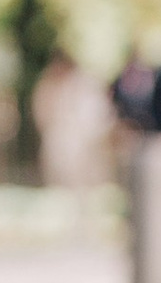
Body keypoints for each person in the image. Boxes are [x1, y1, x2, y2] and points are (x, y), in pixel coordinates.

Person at [30, 43, 110, 189]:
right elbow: (42, 114)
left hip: (81, 144)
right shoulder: (48, 84)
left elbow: (94, 116)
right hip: (58, 142)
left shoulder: (84, 84)